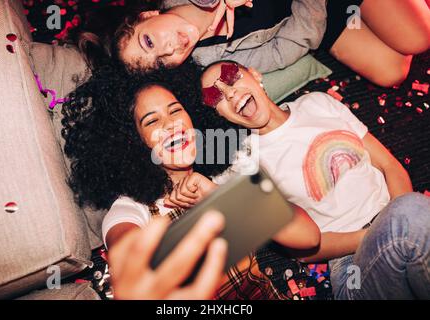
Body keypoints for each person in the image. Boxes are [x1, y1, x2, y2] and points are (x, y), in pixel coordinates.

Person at [61, 61, 321, 299]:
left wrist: (217, 196)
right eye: (152, 121)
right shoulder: (132, 209)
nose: (172, 124)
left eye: (175, 110)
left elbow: (308, 237)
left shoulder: (224, 179)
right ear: (134, 143)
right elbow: (130, 261)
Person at [194, 60, 430, 299]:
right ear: (219, 115)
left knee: (411, 212)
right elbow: (305, 252)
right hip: (354, 268)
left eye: (232, 77)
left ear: (255, 75)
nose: (231, 92)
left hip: (404, 226)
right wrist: (383, 230)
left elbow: (389, 165)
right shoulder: (243, 163)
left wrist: (400, 222)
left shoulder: (317, 103)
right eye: (216, 97)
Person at [72, 0, 430, 87]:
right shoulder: (204, 58)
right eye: (161, 62)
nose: (169, 50)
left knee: (418, 37)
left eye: (149, 41)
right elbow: (279, 51)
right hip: (316, 11)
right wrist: (313, 22)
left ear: (149, 15)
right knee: (392, 72)